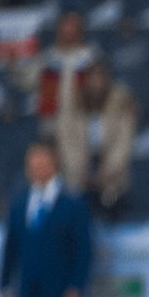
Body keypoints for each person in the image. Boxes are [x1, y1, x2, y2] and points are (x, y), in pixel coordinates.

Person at [0, 140, 93, 297]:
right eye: (33, 161)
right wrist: (4, 286)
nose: (38, 166)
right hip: (29, 292)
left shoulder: (73, 203)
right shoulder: (20, 204)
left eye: (43, 160)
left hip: (62, 293)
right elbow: (10, 247)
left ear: (54, 163)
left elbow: (84, 250)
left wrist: (76, 288)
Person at [56, 62, 139, 215]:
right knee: (74, 197)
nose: (96, 83)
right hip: (80, 168)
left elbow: (124, 140)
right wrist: (82, 170)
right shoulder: (72, 105)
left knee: (113, 195)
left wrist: (110, 167)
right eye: (92, 79)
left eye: (100, 78)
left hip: (112, 169)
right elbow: (66, 142)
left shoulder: (121, 102)